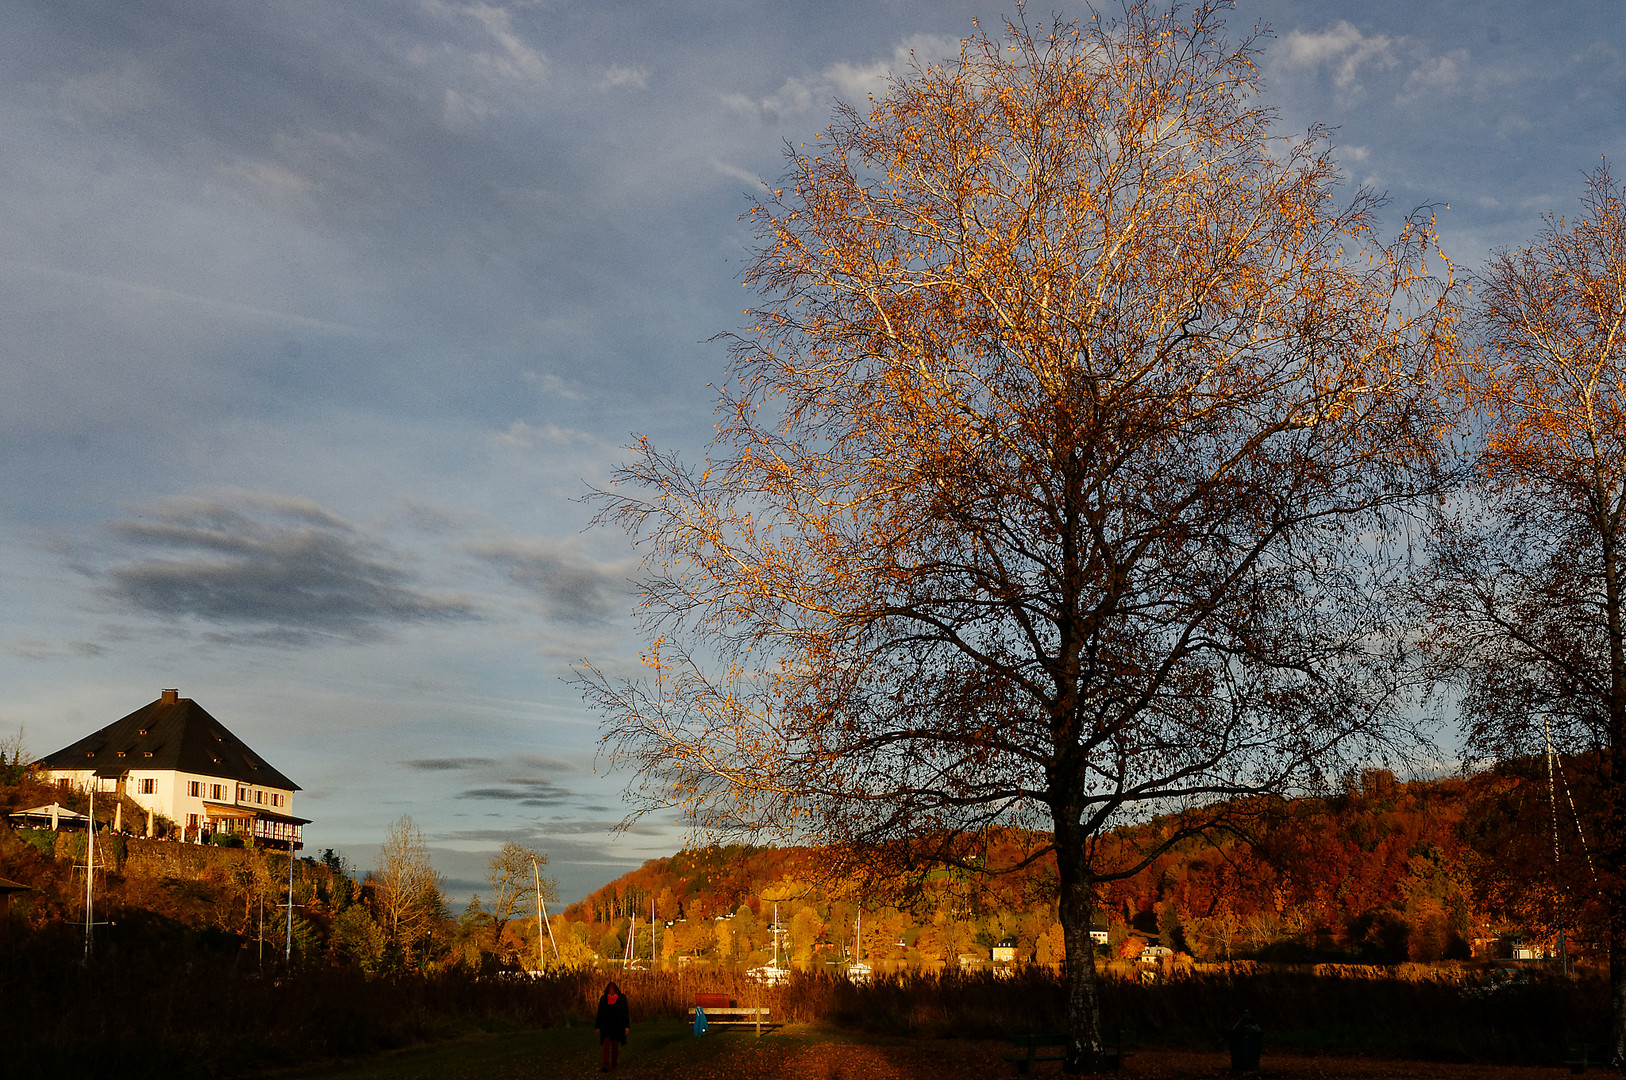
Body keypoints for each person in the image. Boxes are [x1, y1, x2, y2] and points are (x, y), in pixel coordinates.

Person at [594, 981, 630, 1071]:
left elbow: (625, 1012)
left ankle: (614, 1064)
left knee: (615, 1046)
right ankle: (605, 1064)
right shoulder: (604, 999)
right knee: (606, 1045)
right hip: (606, 1026)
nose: (611, 991)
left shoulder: (621, 998)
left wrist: (626, 1026)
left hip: (617, 1026)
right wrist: (598, 1026)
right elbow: (600, 1013)